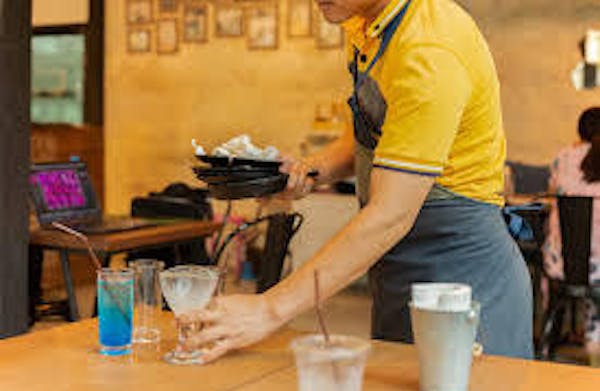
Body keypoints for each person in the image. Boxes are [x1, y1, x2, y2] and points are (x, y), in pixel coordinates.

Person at [188, 0, 533, 361]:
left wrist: (268, 309)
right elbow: (376, 133)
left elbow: (391, 215)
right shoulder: (367, 25)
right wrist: (310, 170)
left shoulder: (430, 50)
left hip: (462, 274)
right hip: (398, 267)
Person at [542, 107, 600, 366]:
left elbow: (552, 191)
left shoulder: (563, 157)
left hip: (562, 265)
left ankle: (547, 340)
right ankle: (593, 340)